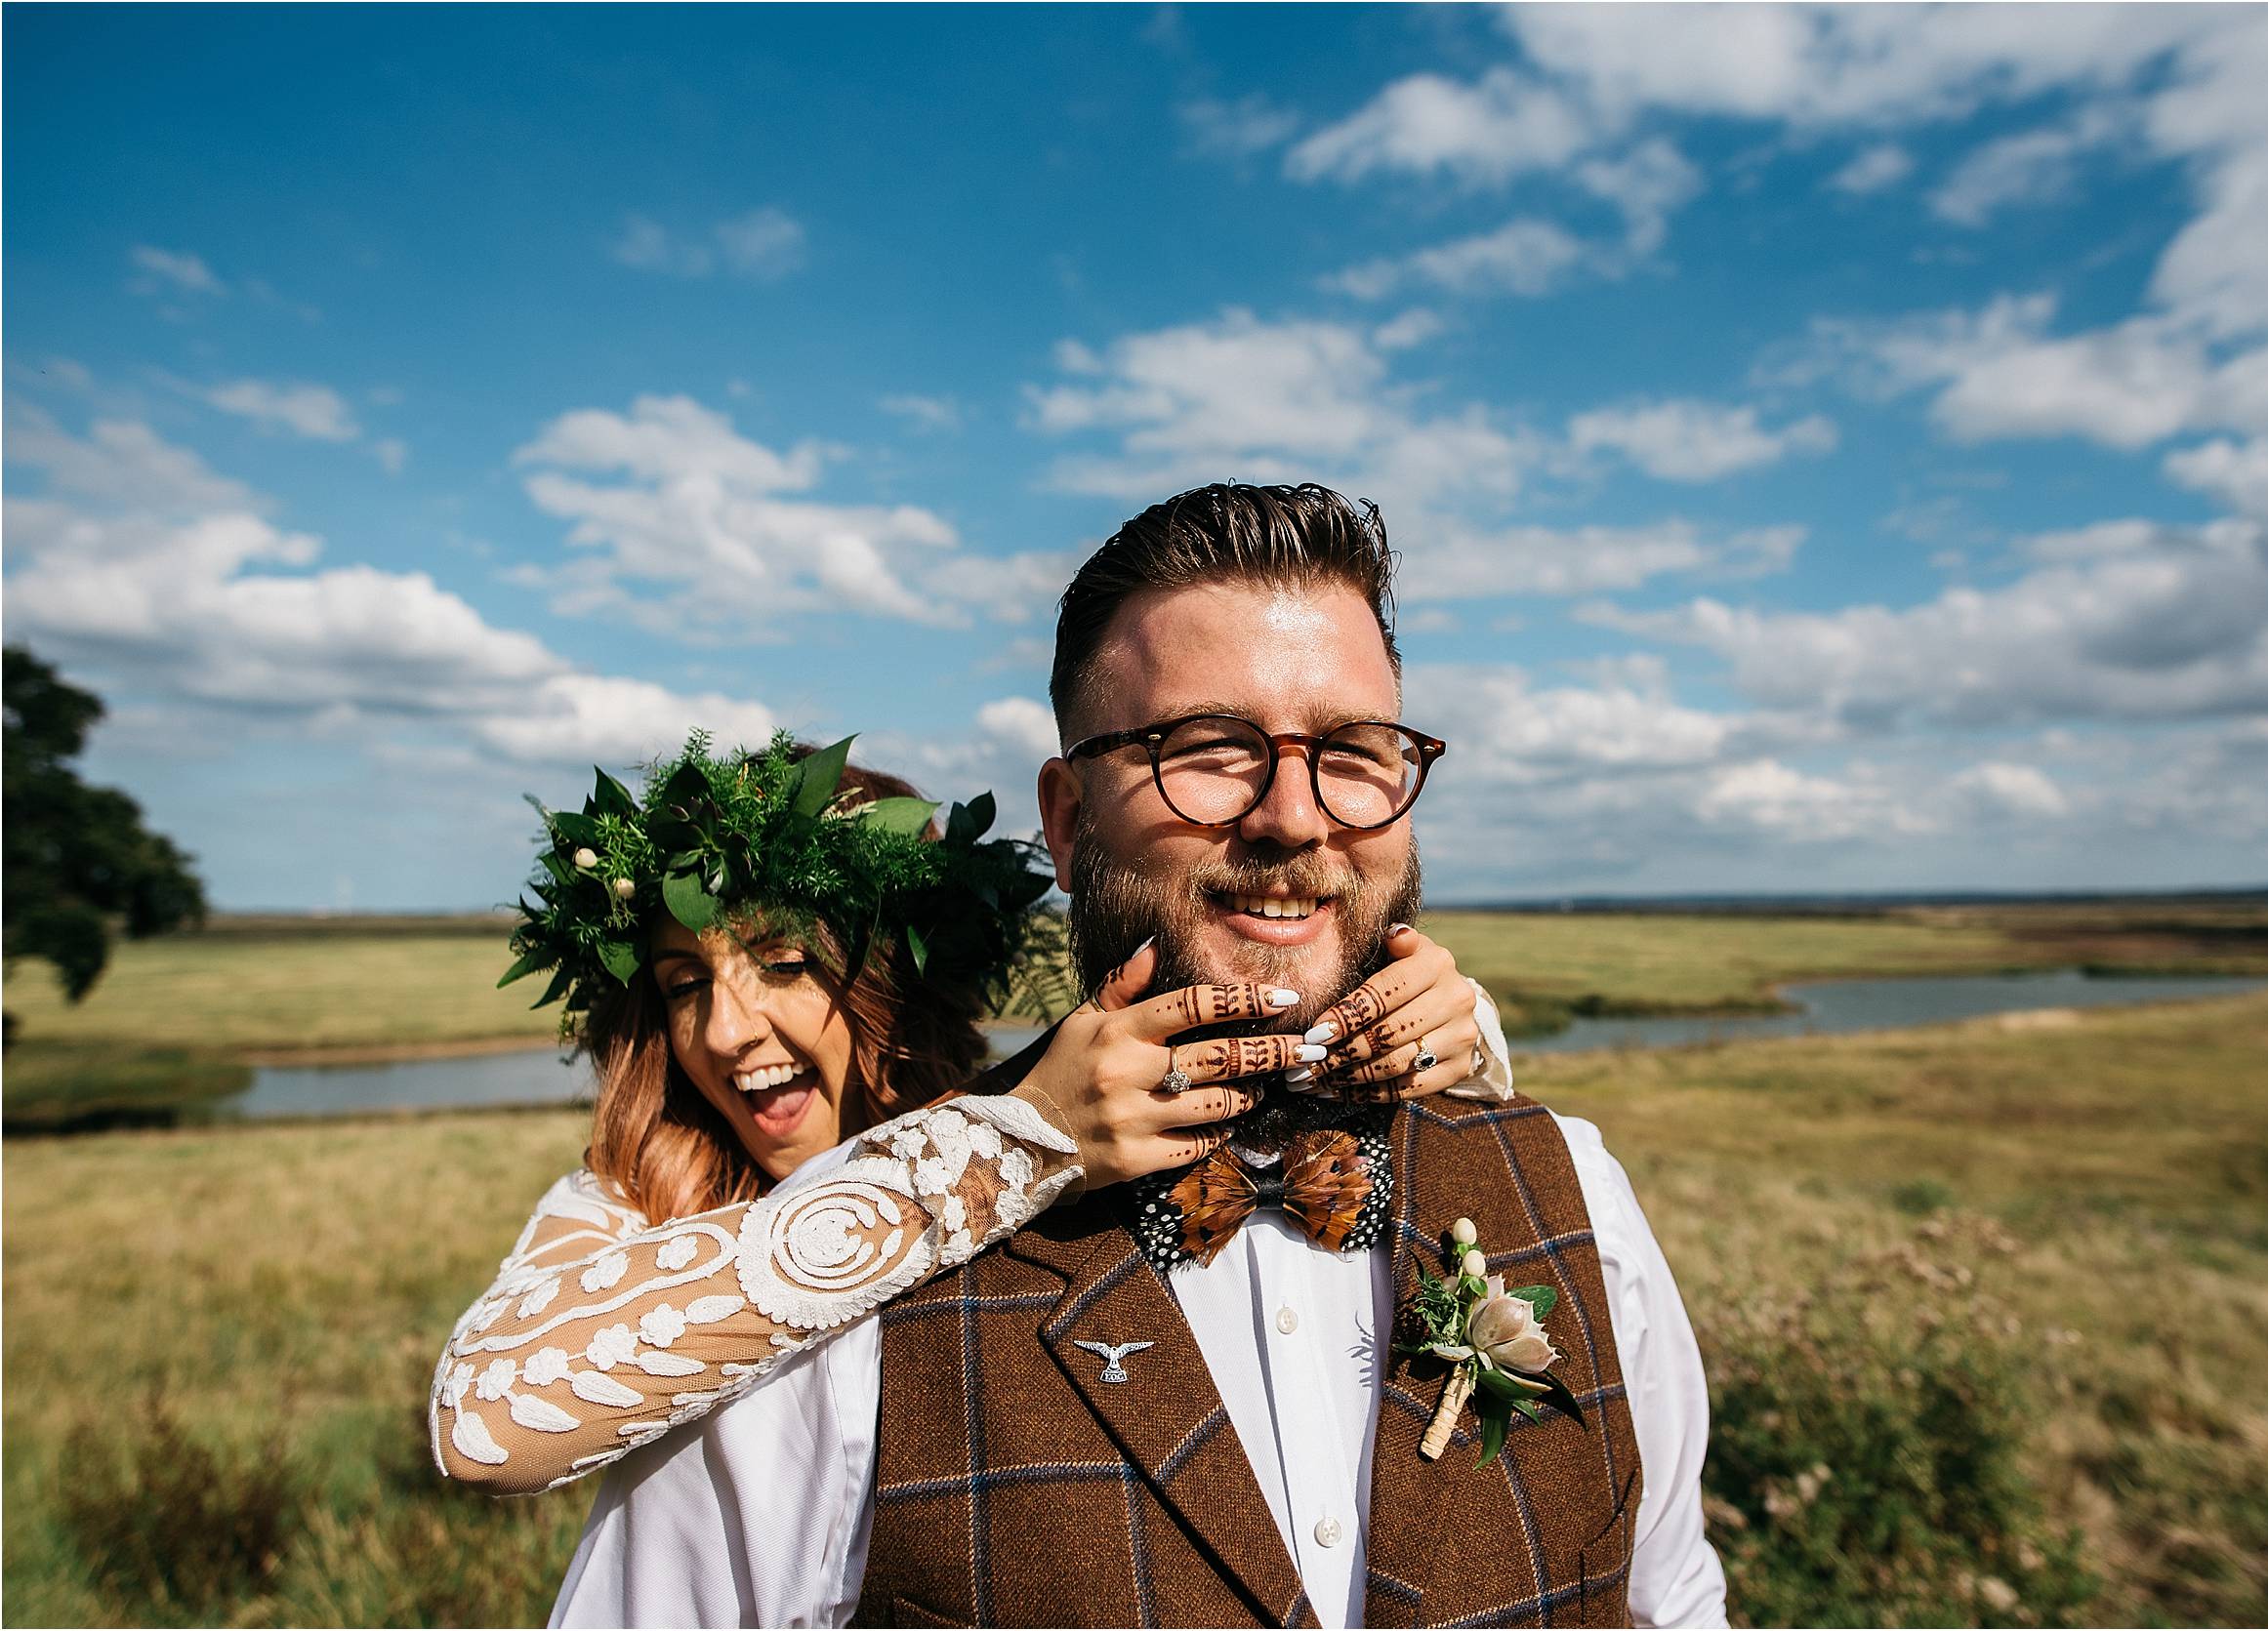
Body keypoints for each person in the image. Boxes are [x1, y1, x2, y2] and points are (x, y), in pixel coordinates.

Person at [554, 483, 1727, 1628]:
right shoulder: (849, 1283)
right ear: (1067, 821)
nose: (1295, 816)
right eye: (1207, 746)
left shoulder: (1576, 1192)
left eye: (1355, 751)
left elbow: (1670, 1600)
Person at [433, 736, 1515, 1494]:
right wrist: (1003, 1148)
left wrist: (1435, 1023)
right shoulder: (633, 1197)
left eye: (785, 961)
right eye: (682, 984)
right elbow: (480, 1429)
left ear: (901, 982)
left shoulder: (1059, 1121)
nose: (723, 1031)